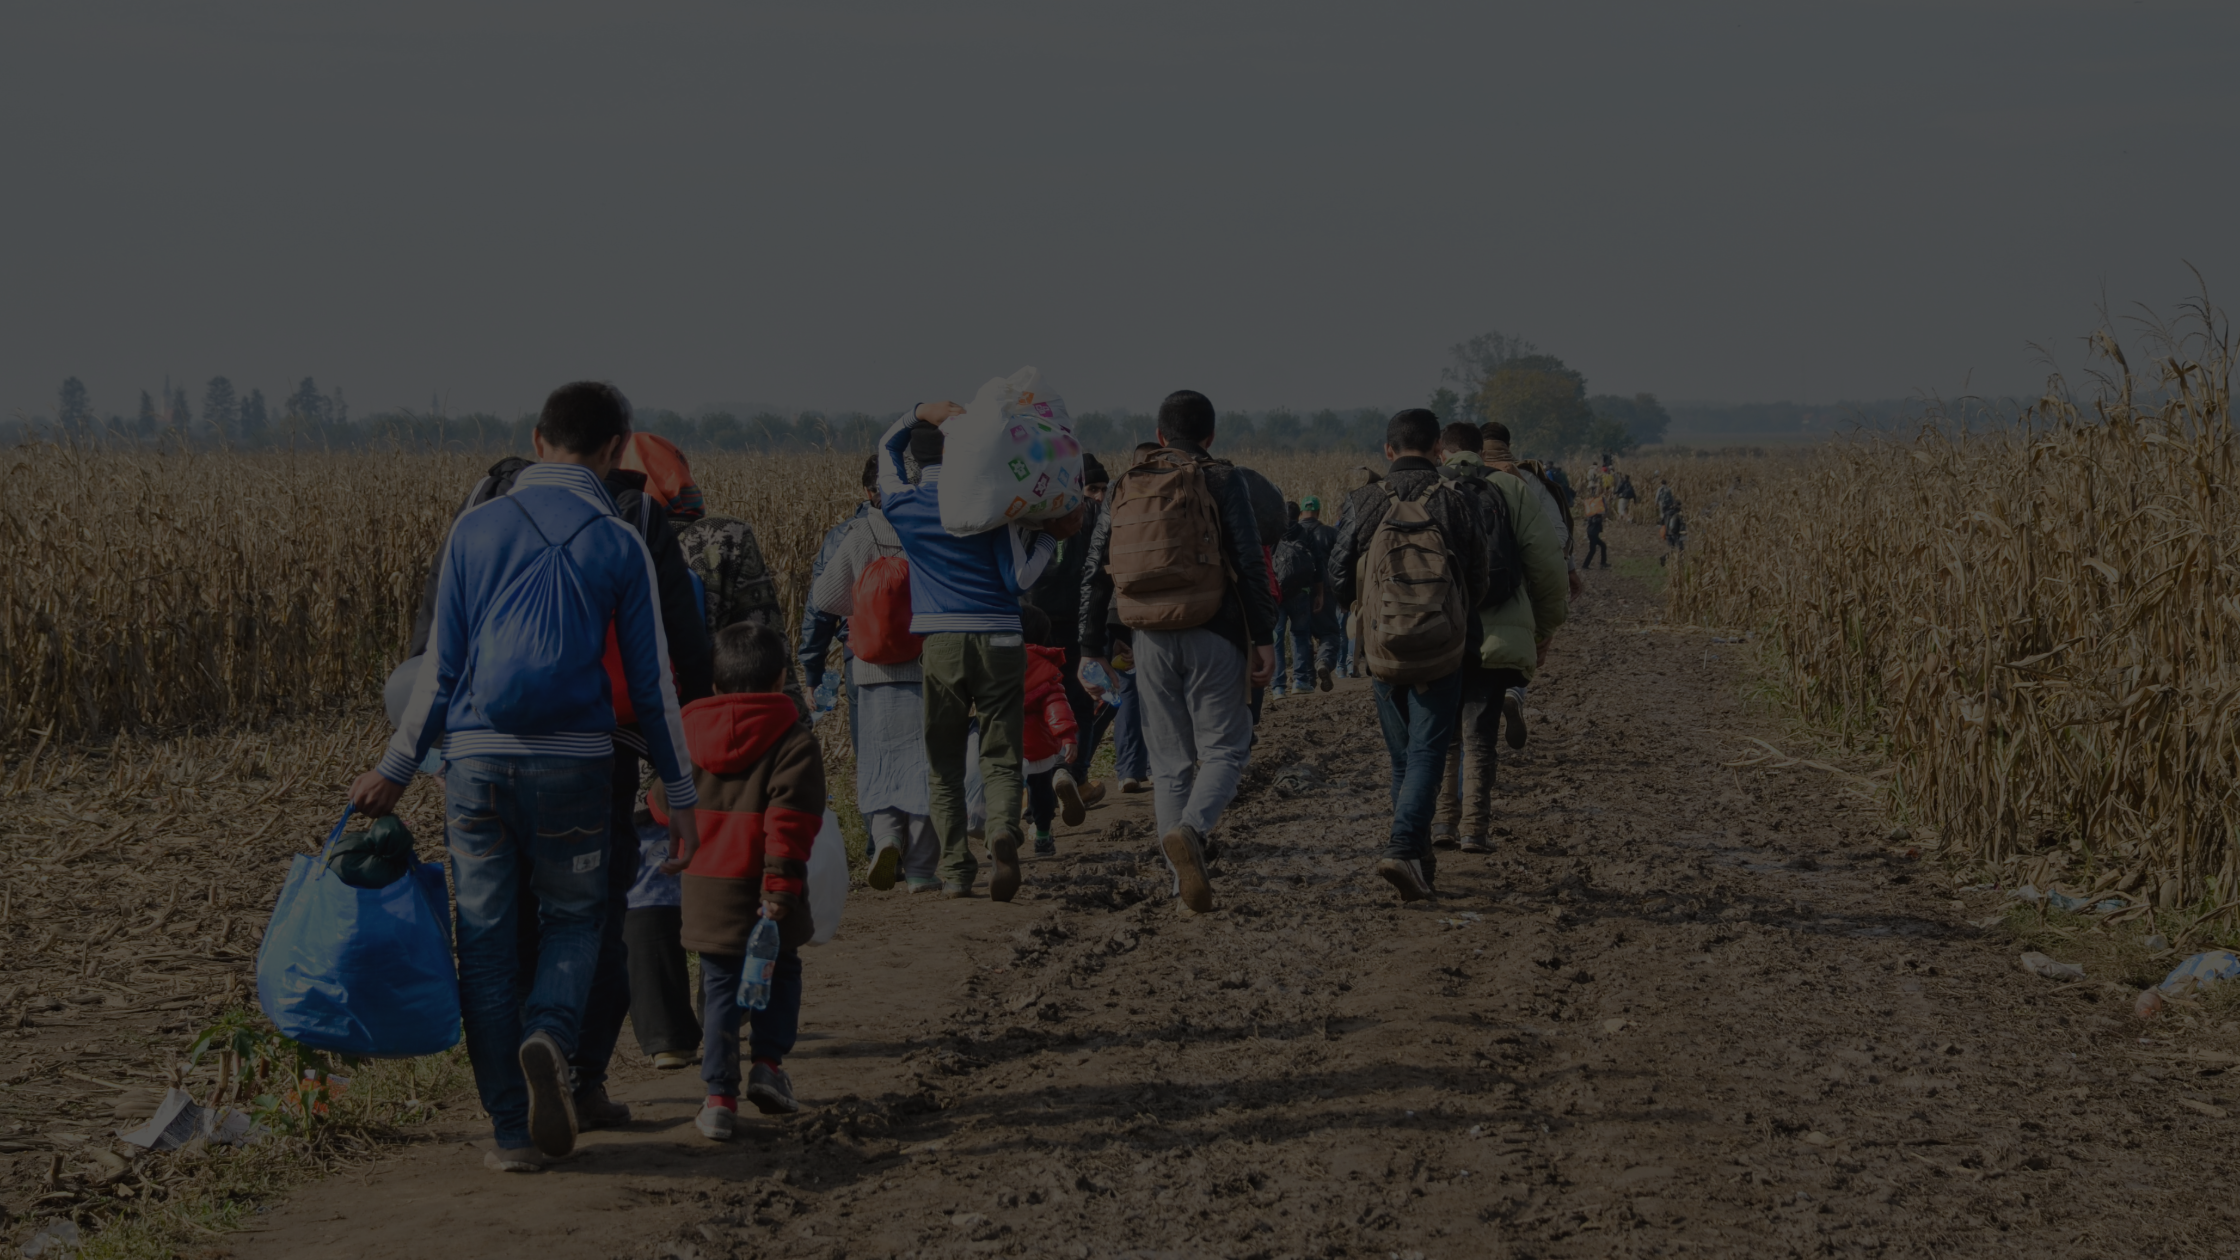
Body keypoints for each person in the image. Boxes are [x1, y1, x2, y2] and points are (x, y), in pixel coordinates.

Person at [350, 381, 701, 1173]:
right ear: (619, 451)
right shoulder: (621, 541)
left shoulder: (474, 529)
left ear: (539, 440)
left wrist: (396, 770)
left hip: (475, 765)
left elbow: (438, 668)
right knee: (578, 921)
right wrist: (681, 796)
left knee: (485, 946)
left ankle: (510, 1133)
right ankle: (550, 1033)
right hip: (577, 765)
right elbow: (655, 688)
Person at [1079, 390, 1277, 912]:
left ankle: (1177, 883)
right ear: (1210, 436)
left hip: (1147, 635)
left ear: (1160, 435)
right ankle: (1191, 830)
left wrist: (1090, 647)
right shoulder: (1221, 478)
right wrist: (1264, 638)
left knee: (1169, 765)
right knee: (1226, 749)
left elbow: (1095, 570)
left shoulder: (1126, 482)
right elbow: (1252, 565)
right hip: (1214, 629)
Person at [877, 404, 1081, 901]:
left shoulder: (903, 503)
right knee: (1001, 753)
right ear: (959, 449)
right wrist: (1045, 542)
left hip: (940, 641)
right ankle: (1000, 833)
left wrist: (915, 413)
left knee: (944, 761)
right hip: (1001, 637)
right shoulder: (991, 500)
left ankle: (954, 871)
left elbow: (885, 448)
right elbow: (1020, 579)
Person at [648, 622, 824, 1139]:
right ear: (781, 679)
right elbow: (788, 825)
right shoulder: (794, 742)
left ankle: (718, 1098)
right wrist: (780, 892)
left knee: (719, 986)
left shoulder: (686, 735)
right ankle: (767, 1067)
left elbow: (661, 802)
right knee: (781, 971)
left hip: (705, 891)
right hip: (770, 891)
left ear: (716, 684)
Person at [1329, 409, 1490, 902]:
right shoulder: (1455, 501)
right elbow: (1480, 577)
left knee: (1403, 758)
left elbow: (1336, 575)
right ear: (1438, 449)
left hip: (1382, 650)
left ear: (1388, 450)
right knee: (1427, 753)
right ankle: (1404, 850)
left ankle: (1418, 860)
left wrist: (1368, 612)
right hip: (1442, 649)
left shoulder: (1363, 501)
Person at [806, 460, 940, 893]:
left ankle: (883, 840)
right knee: (922, 764)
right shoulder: (926, 527)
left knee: (878, 759)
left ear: (872, 492)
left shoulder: (859, 533)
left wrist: (861, 612)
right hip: (922, 664)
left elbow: (824, 598)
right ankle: (921, 870)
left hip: (867, 666)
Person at [1443, 435, 1569, 855]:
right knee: (1480, 734)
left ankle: (1442, 821)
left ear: (1442, 451)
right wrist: (1543, 630)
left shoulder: (1431, 486)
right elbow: (1547, 563)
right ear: (1479, 450)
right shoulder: (1511, 488)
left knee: (1444, 733)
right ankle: (1474, 830)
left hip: (1437, 628)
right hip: (1498, 631)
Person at [1481, 421, 1576, 750]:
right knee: (1520, 652)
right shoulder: (1529, 480)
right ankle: (1513, 694)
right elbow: (1558, 538)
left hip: (1471, 591)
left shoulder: (1455, 478)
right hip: (1522, 588)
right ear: (1508, 444)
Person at [1025, 454, 1112, 805]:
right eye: (1093, 488)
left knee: (1037, 702)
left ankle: (1036, 788)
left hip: (1033, 623)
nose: (1100, 496)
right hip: (1079, 624)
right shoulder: (1093, 517)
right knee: (1083, 701)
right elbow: (1101, 574)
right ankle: (1074, 775)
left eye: (1105, 489)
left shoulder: (1030, 513)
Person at [798, 457, 881, 733]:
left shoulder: (842, 536)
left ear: (867, 493)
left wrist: (814, 671)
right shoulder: (926, 529)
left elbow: (819, 608)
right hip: (920, 655)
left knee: (867, 751)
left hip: (860, 653)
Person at [623, 797, 698, 1072]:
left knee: (646, 888)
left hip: (610, 788)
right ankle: (725, 1009)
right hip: (670, 790)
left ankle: (667, 1033)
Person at [1018, 606, 1082, 856]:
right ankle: (1043, 834)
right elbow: (1056, 704)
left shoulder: (996, 661)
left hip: (1004, 741)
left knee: (1004, 792)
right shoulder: (1046, 668)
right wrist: (1068, 736)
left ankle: (1000, 833)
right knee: (1041, 792)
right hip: (1040, 746)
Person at [1269, 501, 1328, 698]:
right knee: (1300, 635)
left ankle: (1278, 685)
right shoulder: (1305, 533)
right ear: (1298, 515)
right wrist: (1319, 593)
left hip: (1276, 593)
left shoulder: (1271, 532)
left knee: (1276, 637)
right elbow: (1317, 564)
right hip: (1300, 592)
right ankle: (1300, 681)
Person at [1297, 496, 1341, 691]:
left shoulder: (1290, 533)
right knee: (1329, 632)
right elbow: (1340, 563)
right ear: (1319, 512)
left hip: (1295, 591)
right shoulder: (1330, 533)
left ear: (1300, 513)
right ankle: (1323, 661)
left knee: (1301, 634)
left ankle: (1304, 679)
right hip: (1324, 591)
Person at [1581, 492, 1609, 569]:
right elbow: (1594, 521)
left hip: (1592, 533)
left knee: (1603, 546)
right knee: (1592, 550)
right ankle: (1585, 565)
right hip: (1592, 533)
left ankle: (1603, 563)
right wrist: (1602, 518)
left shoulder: (1592, 512)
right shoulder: (1595, 514)